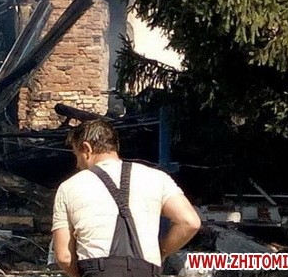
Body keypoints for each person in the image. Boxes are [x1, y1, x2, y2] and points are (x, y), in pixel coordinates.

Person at [52, 118, 201, 277]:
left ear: (86, 148)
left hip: (97, 270)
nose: (77, 164)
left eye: (77, 155)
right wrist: (162, 252)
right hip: (146, 270)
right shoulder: (157, 177)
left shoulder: (68, 187)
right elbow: (190, 222)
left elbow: (64, 257)